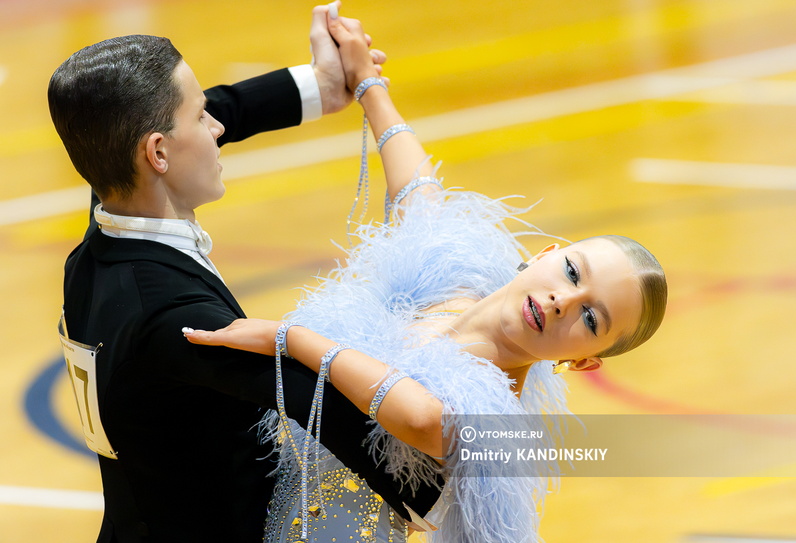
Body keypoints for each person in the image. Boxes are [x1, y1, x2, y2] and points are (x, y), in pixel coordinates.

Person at [184, 7, 669, 543]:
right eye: (573, 271)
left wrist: (290, 337)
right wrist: (367, 80)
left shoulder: (494, 419)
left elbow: (425, 421)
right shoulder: (456, 273)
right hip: (230, 504)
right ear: (546, 252)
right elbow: (418, 189)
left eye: (591, 316)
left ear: (582, 362)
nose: (562, 300)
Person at [49, 5, 442, 542]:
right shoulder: (175, 319)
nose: (218, 128)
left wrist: (320, 85)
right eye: (201, 116)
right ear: (158, 152)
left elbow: (206, 114)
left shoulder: (107, 213)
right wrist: (464, 487)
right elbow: (321, 403)